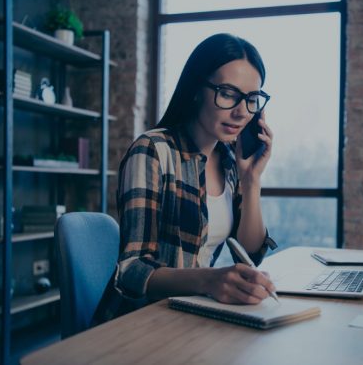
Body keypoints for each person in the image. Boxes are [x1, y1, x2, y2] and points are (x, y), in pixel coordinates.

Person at [94, 33, 278, 323]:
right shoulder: (153, 150)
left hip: (195, 316)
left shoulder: (230, 163)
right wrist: (209, 280)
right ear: (196, 90)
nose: (242, 112)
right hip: (140, 322)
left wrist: (251, 180)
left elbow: (252, 255)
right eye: (228, 94)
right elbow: (132, 270)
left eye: (252, 99)